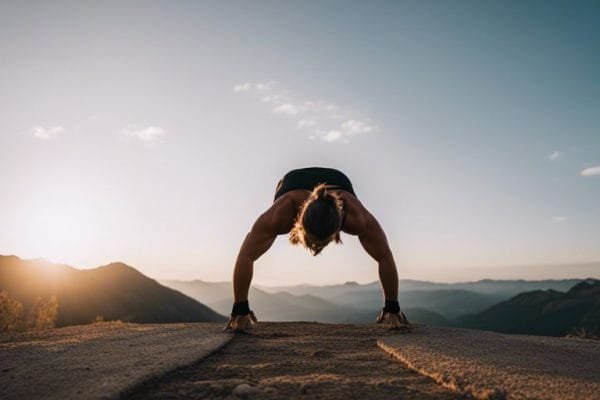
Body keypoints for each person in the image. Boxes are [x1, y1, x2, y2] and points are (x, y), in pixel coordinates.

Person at [225, 166, 409, 332]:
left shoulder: (356, 216)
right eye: (312, 243)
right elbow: (246, 254)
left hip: (339, 180)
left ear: (338, 227)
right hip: (293, 182)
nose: (316, 250)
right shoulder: (282, 213)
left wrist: (392, 308)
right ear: (299, 225)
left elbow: (385, 256)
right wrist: (240, 309)